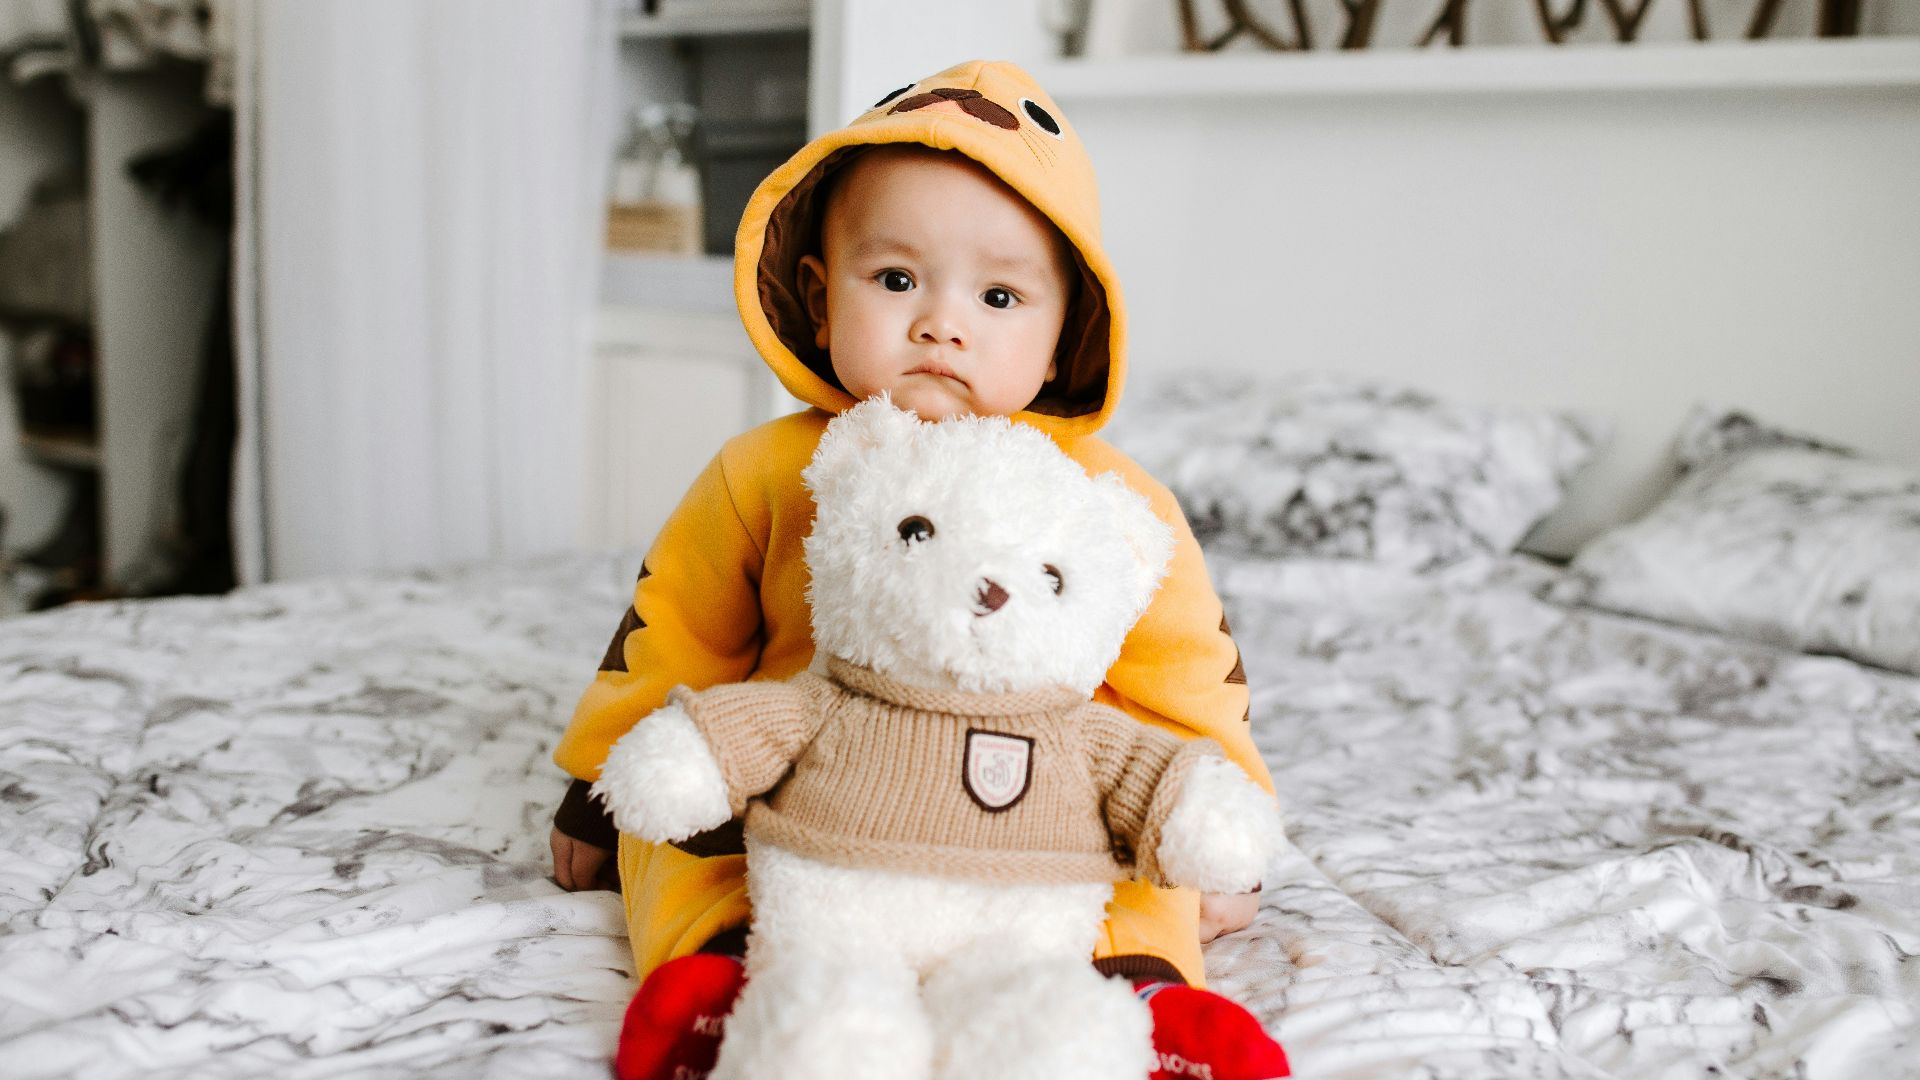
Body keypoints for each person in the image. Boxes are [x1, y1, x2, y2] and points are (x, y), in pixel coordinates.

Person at [550, 59, 1289, 1080]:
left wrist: (1221, 825)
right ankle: (729, 978)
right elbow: (671, 628)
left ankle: (1136, 992)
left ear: (1063, 333)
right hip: (806, 796)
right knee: (680, 842)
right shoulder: (765, 472)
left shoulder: (1106, 502)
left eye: (999, 295)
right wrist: (600, 781)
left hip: (1043, 817)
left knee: (1134, 873)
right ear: (820, 299)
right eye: (896, 280)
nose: (943, 323)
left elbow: (1191, 674)